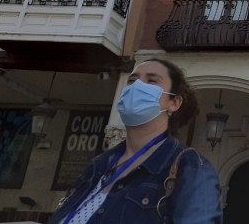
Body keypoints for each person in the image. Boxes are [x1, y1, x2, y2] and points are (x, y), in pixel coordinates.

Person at [50, 59, 222, 224]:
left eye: (152, 81)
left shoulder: (190, 167)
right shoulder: (100, 165)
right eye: (132, 80)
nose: (137, 87)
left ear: (174, 103)